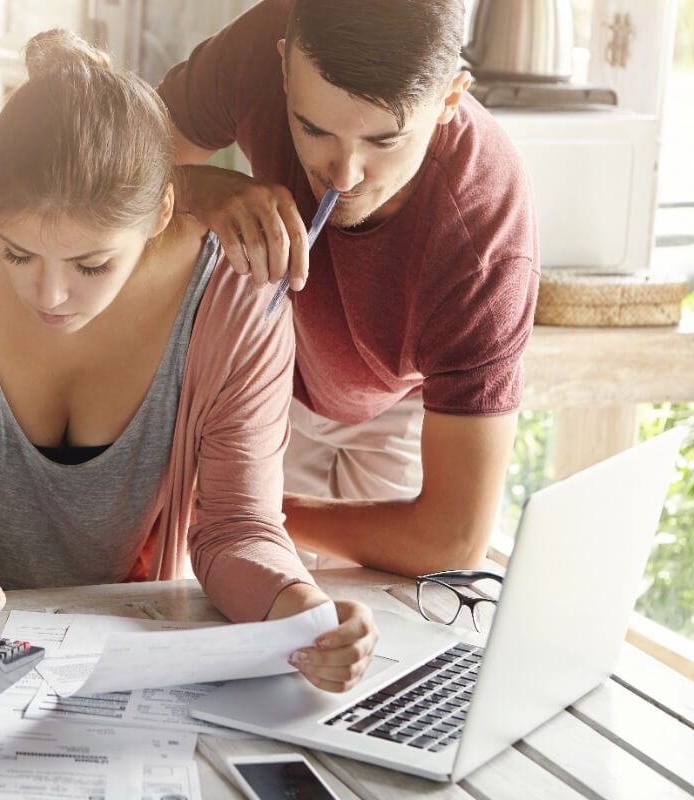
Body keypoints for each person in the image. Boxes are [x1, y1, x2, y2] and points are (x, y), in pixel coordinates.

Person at [0, 29, 377, 692]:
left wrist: (301, 613)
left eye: (91, 264)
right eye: (18, 254)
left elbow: (236, 529)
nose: (50, 295)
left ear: (162, 211)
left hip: (104, 677)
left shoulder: (236, 300)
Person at [156, 0, 540, 576]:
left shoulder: (485, 241)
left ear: (450, 99)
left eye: (384, 141)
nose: (344, 175)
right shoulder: (264, 43)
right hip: (264, 365)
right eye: (314, 129)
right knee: (218, 600)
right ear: (283, 70)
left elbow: (452, 540)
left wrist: (254, 515)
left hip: (400, 408)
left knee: (377, 624)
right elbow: (107, 166)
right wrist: (197, 187)